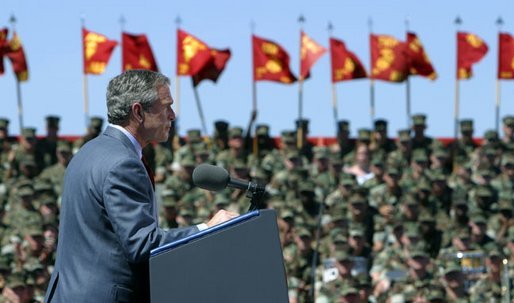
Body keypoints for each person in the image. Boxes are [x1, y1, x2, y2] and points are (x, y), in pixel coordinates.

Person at [44, 70, 238, 302]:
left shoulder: (87, 152)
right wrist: (206, 228)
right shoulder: (123, 163)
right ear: (138, 111)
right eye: (166, 106)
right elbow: (141, 243)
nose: (173, 115)